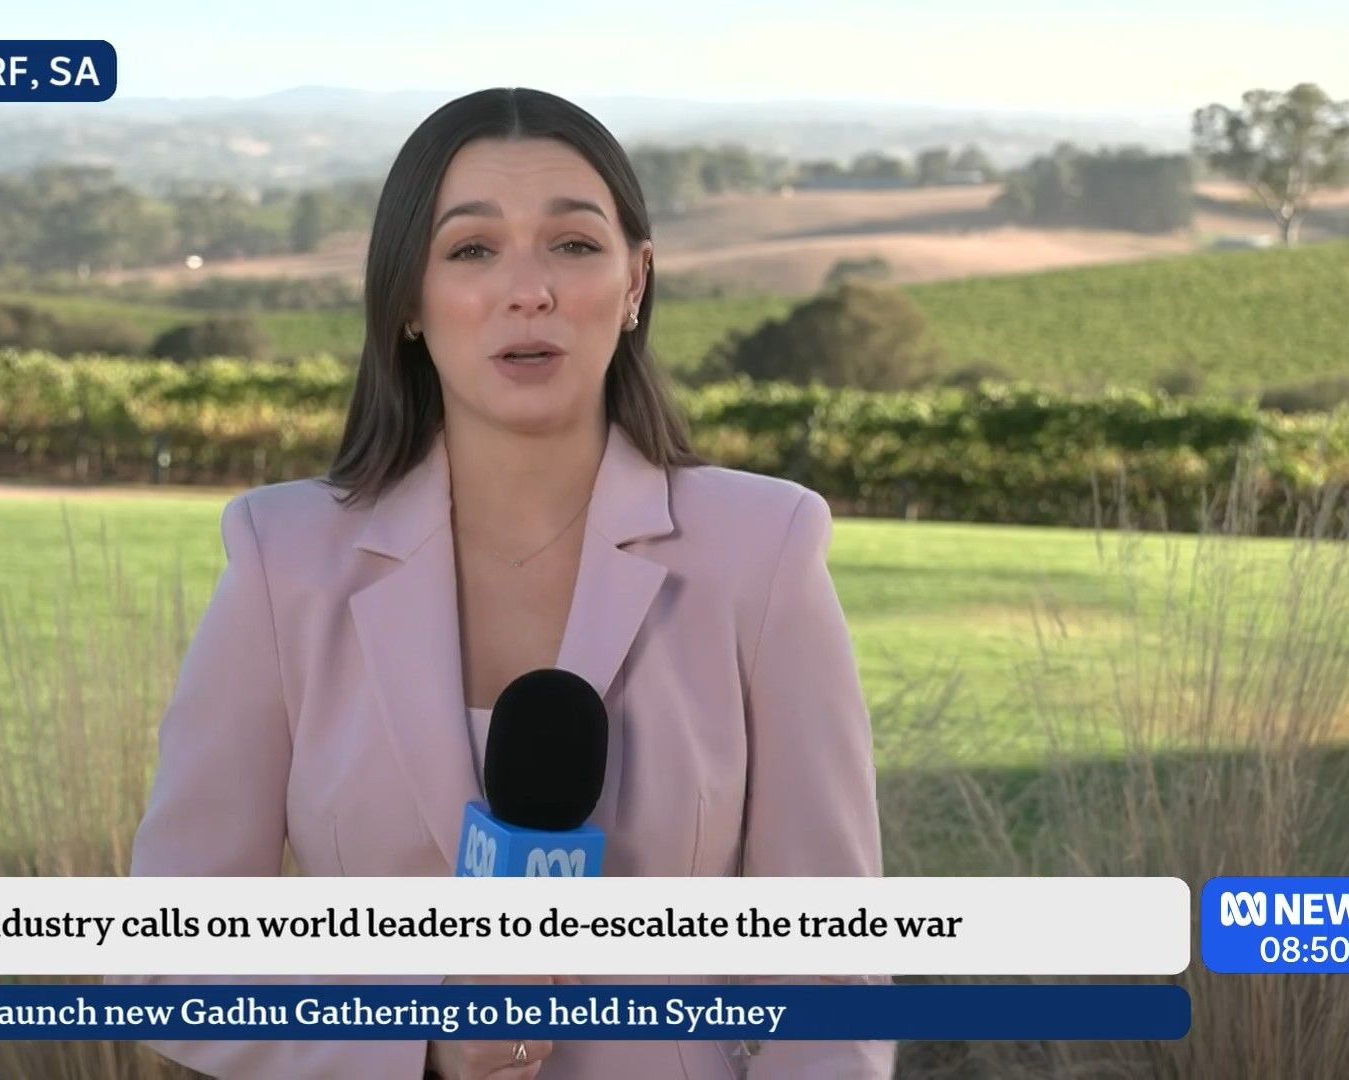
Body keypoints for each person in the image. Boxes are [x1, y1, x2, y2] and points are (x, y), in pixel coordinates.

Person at [124, 86, 891, 1079]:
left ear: (634, 282)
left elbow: (830, 977)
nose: (528, 290)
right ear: (408, 298)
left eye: (573, 244)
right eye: (473, 249)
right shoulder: (285, 557)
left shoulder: (764, 549)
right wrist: (419, 1040)